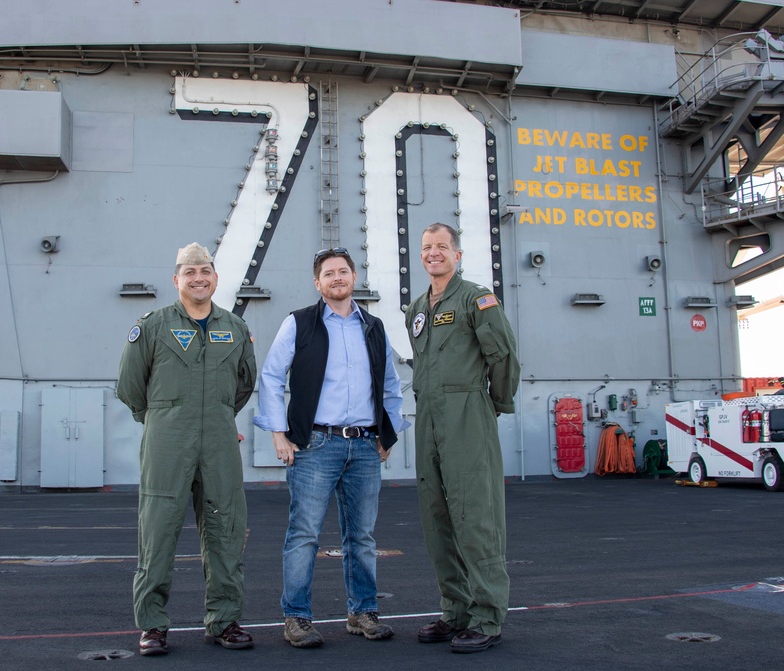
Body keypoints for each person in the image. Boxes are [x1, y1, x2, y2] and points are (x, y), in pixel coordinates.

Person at [254, 247, 408, 648]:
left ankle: (363, 612)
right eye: (329, 273)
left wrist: (387, 434)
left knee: (362, 536)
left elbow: (390, 385)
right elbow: (271, 377)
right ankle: (298, 618)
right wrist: (277, 433)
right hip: (314, 444)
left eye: (343, 271)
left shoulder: (373, 327)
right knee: (304, 534)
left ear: (353, 277)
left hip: (364, 446)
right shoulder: (299, 323)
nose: (337, 278)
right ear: (317, 282)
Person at [117, 242, 257, 657]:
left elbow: (244, 384)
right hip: (167, 441)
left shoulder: (234, 327)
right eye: (189, 271)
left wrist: (214, 417)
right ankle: (153, 626)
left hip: (218, 440)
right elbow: (129, 386)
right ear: (176, 280)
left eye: (205, 270)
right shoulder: (153, 325)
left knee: (225, 530)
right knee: (158, 532)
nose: (198, 278)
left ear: (215, 277)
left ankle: (224, 620)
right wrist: (163, 419)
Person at [405, 223, 520, 654]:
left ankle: (488, 616)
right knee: (437, 518)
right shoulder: (417, 307)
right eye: (426, 248)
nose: (433, 254)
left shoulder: (476, 297)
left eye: (441, 247)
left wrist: (495, 404)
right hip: (429, 417)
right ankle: (456, 610)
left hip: (467, 414)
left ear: (457, 254)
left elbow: (503, 353)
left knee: (476, 516)